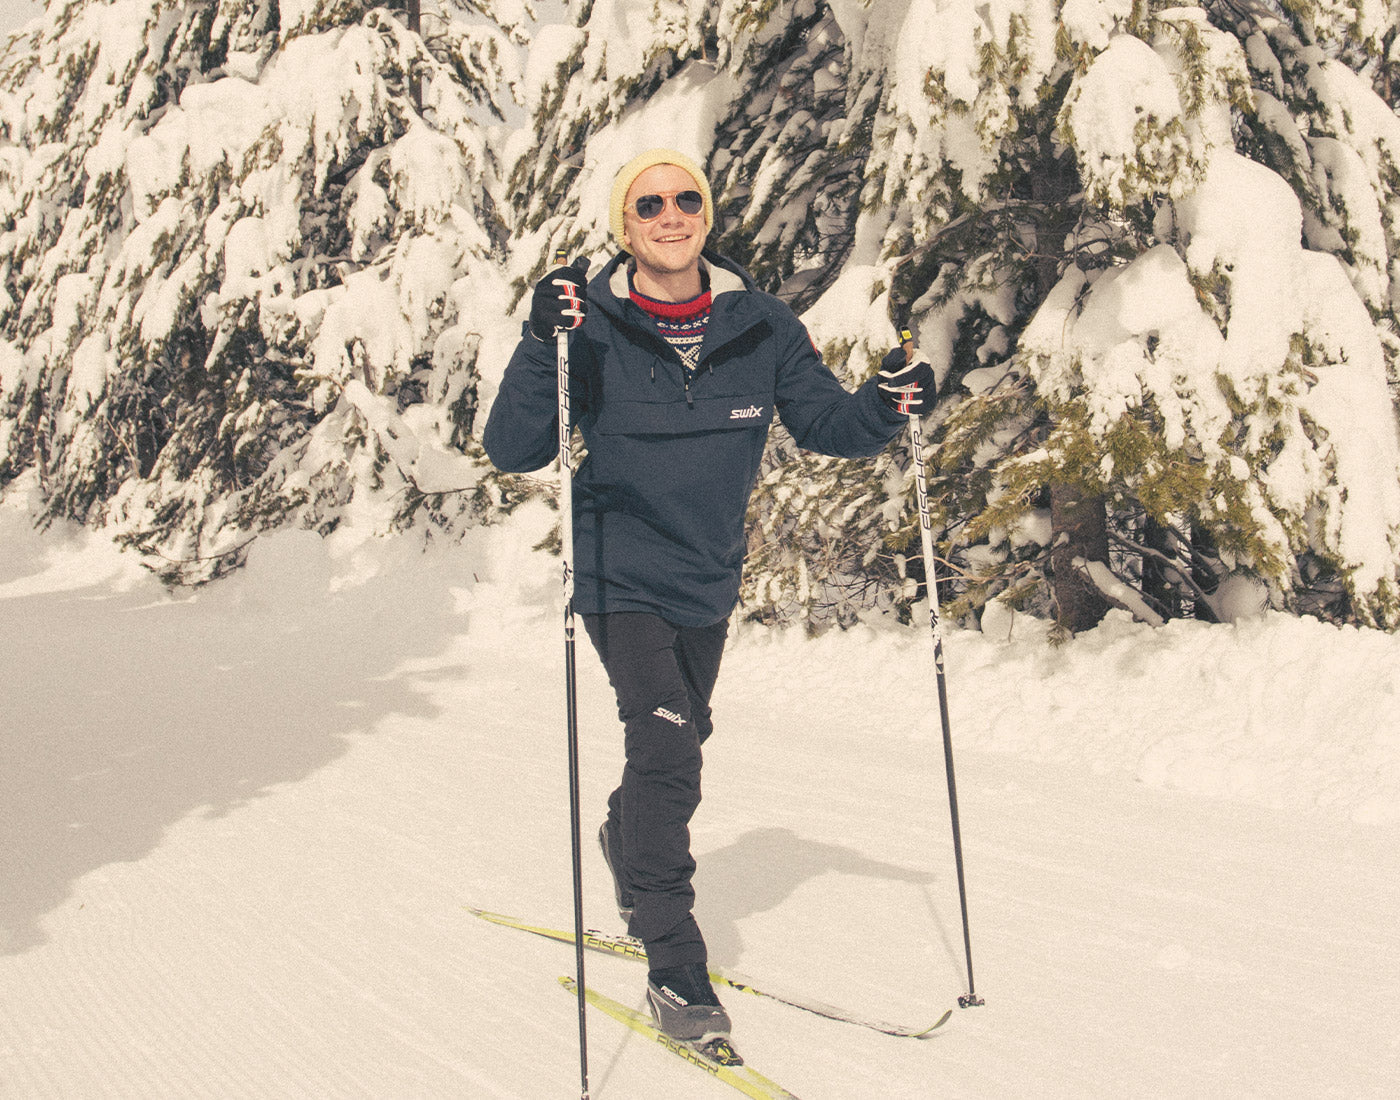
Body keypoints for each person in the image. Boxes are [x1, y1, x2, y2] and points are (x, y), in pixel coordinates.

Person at [482, 148, 936, 1050]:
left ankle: (625, 838)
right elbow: (514, 447)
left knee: (681, 735)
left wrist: (888, 404)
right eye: (649, 203)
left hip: (705, 579)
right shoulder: (589, 322)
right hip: (618, 576)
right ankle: (675, 965)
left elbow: (827, 426)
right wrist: (542, 345)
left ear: (706, 215)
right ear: (626, 224)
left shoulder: (760, 325)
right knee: (666, 747)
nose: (671, 213)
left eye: (686, 199)